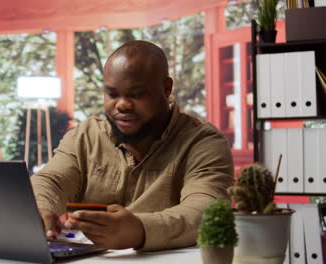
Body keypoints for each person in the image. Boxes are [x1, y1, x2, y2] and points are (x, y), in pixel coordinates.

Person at [31, 40, 234, 251]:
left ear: (166, 88)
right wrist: (39, 207)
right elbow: (51, 181)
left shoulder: (203, 143)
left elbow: (205, 210)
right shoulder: (85, 136)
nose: (122, 105)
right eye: (112, 94)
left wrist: (140, 230)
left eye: (136, 94)